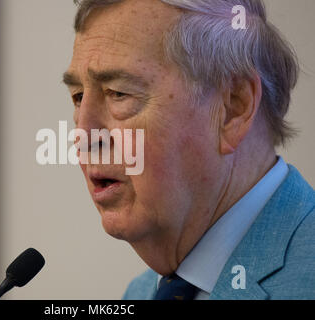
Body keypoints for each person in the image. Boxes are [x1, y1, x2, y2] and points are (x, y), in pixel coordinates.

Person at [63, 0, 315, 300]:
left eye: (119, 93)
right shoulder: (141, 293)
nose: (83, 137)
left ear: (233, 107)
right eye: (78, 97)